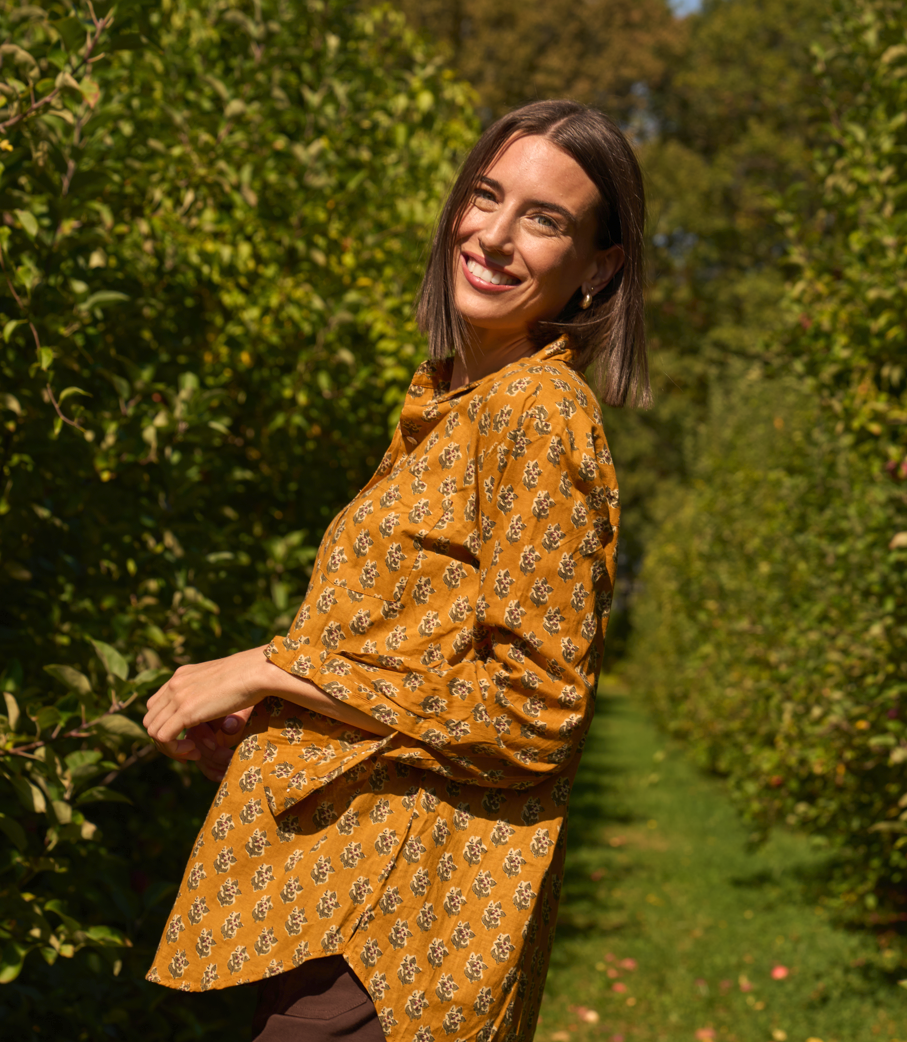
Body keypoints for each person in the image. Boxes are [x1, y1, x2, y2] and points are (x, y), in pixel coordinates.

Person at [144, 98, 648, 1042]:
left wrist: (273, 666)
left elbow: (536, 715)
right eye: (486, 197)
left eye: (544, 219)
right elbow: (417, 661)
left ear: (600, 268)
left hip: (410, 933)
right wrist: (292, 719)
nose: (494, 237)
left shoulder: (537, 414)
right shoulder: (451, 407)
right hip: (343, 901)